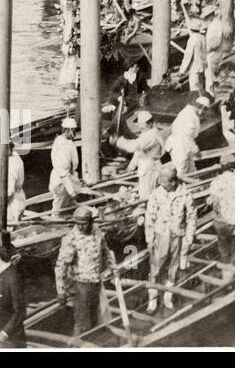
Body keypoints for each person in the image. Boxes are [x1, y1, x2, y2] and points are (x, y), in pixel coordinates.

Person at [53, 205, 113, 336]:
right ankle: (77, 344)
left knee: (95, 317)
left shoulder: (97, 233)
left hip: (95, 282)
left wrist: (112, 267)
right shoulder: (71, 239)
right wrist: (61, 291)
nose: (80, 227)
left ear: (91, 222)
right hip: (79, 285)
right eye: (78, 224)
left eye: (84, 224)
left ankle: (92, 339)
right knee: (82, 322)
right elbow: (61, 266)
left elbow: (106, 251)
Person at [144, 167, 196, 313]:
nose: (161, 183)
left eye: (164, 181)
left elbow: (192, 217)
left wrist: (189, 238)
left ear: (173, 182)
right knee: (155, 268)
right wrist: (149, 239)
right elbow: (150, 217)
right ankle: (152, 301)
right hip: (160, 235)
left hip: (177, 236)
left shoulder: (185, 194)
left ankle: (168, 298)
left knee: (173, 269)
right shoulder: (156, 194)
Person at [208, 155, 235, 264]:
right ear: (234, 168)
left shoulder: (214, 182)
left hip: (219, 223)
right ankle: (234, 270)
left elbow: (212, 202)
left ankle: (226, 266)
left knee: (224, 249)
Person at [113, 109, 165, 204]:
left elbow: (134, 146)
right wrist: (131, 166)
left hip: (150, 167)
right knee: (144, 191)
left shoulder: (151, 135)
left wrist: (118, 141)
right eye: (139, 124)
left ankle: (149, 212)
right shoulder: (145, 133)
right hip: (145, 165)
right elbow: (138, 152)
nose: (140, 126)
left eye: (142, 124)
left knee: (148, 194)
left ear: (149, 123)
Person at [49, 116, 82, 216]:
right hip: (61, 182)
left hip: (68, 179)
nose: (75, 133)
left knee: (66, 205)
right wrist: (71, 191)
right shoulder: (61, 144)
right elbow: (63, 172)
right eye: (74, 131)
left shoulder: (68, 142)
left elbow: (72, 166)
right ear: (68, 130)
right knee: (58, 209)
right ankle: (55, 224)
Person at [6, 139, 27, 223]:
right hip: (19, 197)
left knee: (9, 228)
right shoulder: (15, 155)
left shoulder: (10, 166)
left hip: (13, 204)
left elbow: (9, 193)